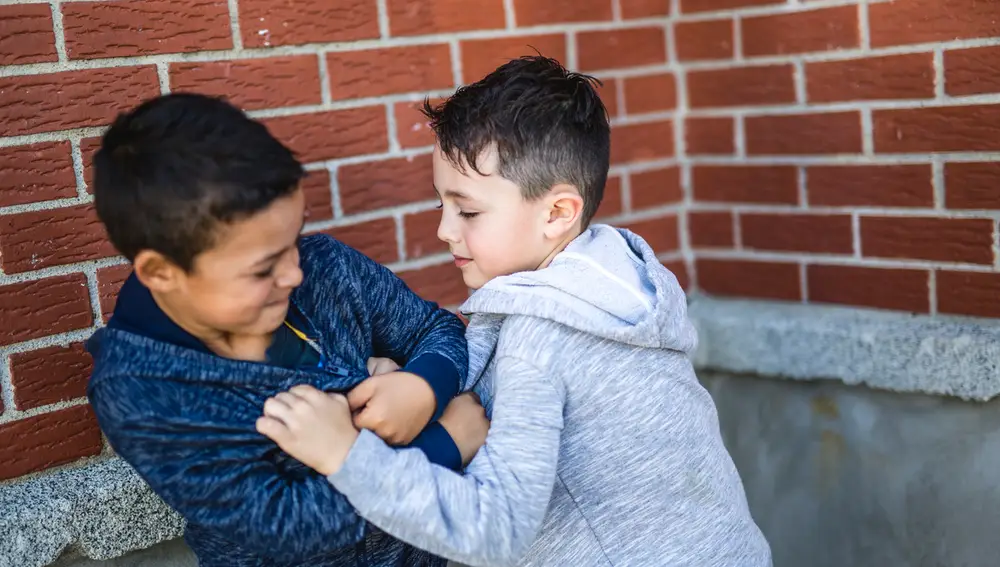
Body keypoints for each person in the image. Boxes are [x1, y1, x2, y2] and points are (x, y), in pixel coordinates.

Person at [257, 56, 772, 567]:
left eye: (470, 211)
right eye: (443, 205)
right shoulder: (615, 286)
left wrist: (346, 455)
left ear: (556, 213)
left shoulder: (538, 337)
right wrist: (408, 377)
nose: (445, 230)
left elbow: (495, 529)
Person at [85, 93, 488, 567]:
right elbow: (286, 524)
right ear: (161, 273)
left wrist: (423, 385)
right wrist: (441, 446)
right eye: (262, 268)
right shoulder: (142, 390)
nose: (295, 273)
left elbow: (434, 328)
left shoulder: (326, 268)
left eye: (293, 238)